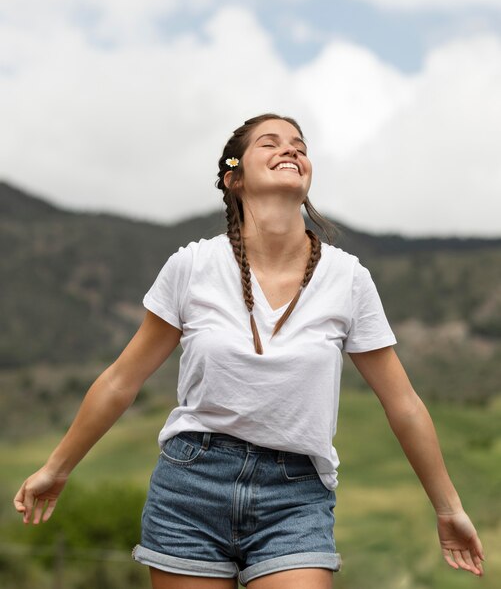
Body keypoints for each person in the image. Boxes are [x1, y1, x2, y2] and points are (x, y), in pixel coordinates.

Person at [14, 113, 484, 588]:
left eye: (299, 145)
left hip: (296, 494)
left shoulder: (349, 279)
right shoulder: (192, 266)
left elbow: (402, 403)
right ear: (233, 176)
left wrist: (449, 508)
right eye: (271, 143)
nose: (291, 150)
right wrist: (57, 467)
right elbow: (122, 380)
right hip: (191, 484)